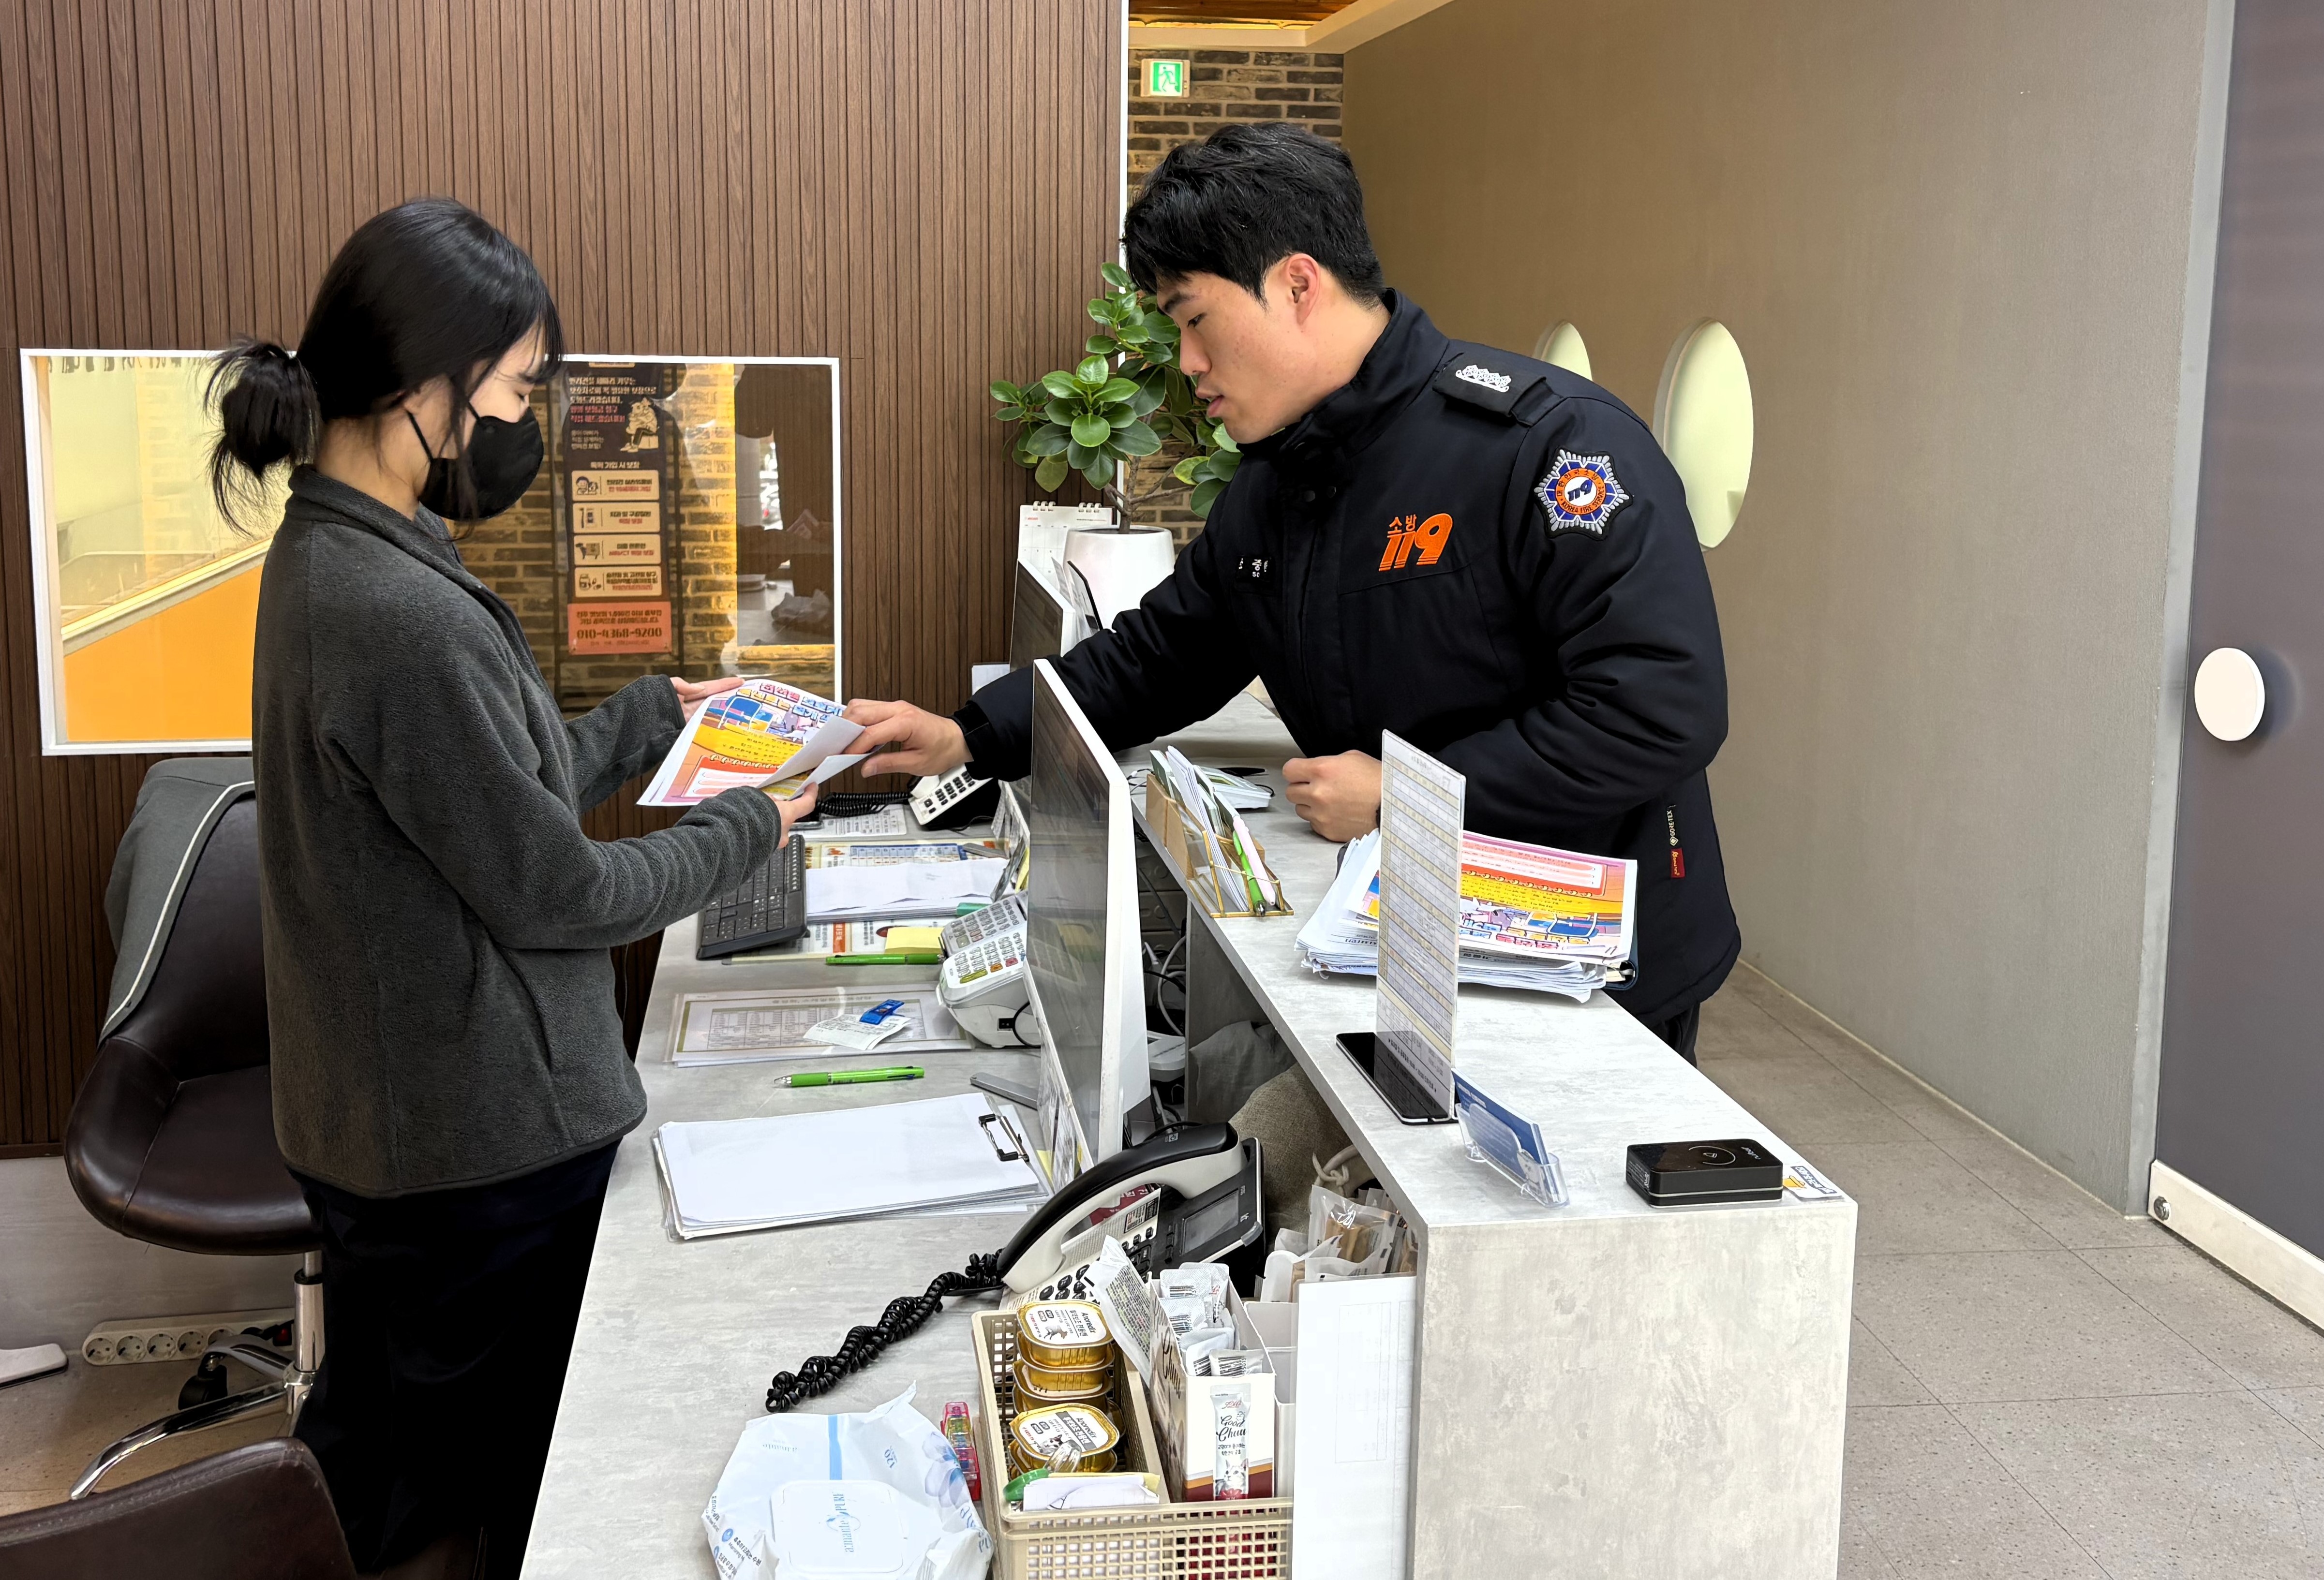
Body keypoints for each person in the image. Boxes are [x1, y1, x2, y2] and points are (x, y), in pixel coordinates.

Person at [847, 124, 1739, 1056]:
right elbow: (1164, 655)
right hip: (1402, 937)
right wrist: (972, 734)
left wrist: (1408, 795)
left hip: (1584, 962)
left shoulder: (1550, 444)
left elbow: (1658, 707)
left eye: (1195, 319)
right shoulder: (1279, 480)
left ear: (1298, 285)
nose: (1187, 362)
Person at [212, 198, 813, 1579]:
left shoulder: (345, 548)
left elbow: (483, 798)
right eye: (517, 387)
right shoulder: (395, 612)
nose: (521, 420)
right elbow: (555, 888)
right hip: (465, 1148)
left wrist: (650, 715)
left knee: (393, 1454)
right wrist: (751, 822)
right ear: (426, 384)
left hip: (398, 1121)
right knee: (501, 1489)